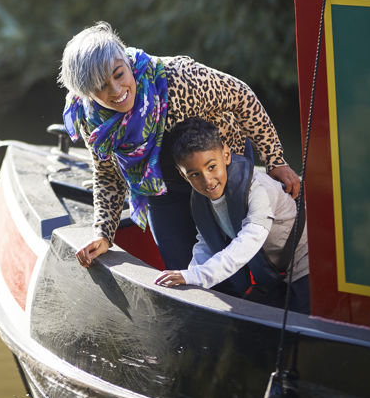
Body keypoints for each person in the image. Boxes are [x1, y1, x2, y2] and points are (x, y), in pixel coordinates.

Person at [59, 21, 300, 270]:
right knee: (180, 264)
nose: (117, 90)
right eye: (100, 87)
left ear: (127, 64)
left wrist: (275, 159)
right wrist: (103, 232)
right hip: (162, 186)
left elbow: (242, 96)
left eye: (119, 74)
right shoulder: (88, 118)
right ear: (85, 93)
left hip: (220, 167)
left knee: (246, 253)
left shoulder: (178, 78)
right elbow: (107, 173)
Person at [154, 117, 309, 313]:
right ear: (183, 174)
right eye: (194, 174)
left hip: (306, 267)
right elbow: (205, 242)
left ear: (226, 155)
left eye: (212, 167)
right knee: (246, 330)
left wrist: (199, 276)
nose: (207, 180)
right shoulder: (201, 199)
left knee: (305, 334)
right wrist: (190, 276)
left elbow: (249, 241)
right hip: (275, 276)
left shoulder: (258, 188)